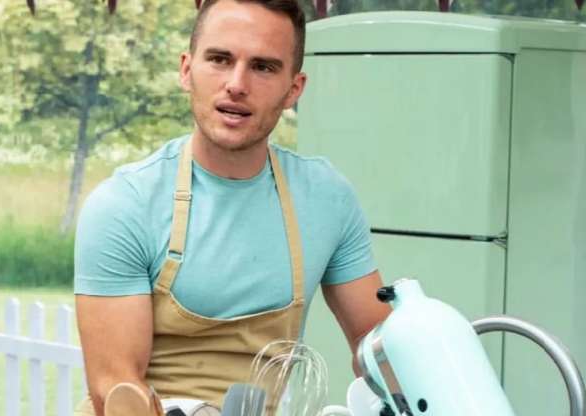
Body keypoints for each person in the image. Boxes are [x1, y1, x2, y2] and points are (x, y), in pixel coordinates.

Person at [73, 0, 391, 414]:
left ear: (294, 89)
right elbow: (115, 389)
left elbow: (379, 347)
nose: (237, 84)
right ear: (186, 70)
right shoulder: (125, 205)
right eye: (220, 59)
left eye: (263, 67)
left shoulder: (326, 198)